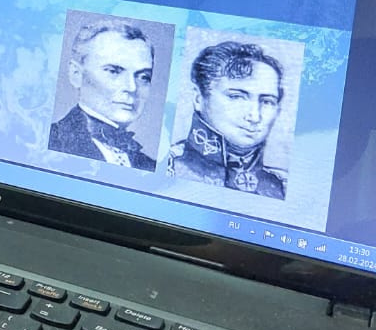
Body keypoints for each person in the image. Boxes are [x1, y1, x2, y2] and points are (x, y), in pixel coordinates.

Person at [170, 41, 287, 198]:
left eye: (267, 101)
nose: (255, 116)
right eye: (236, 97)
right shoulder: (168, 165)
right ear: (198, 98)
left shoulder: (281, 185)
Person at [48, 20, 157, 170]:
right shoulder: (50, 141)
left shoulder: (148, 165)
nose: (132, 87)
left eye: (143, 77)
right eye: (113, 71)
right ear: (76, 74)